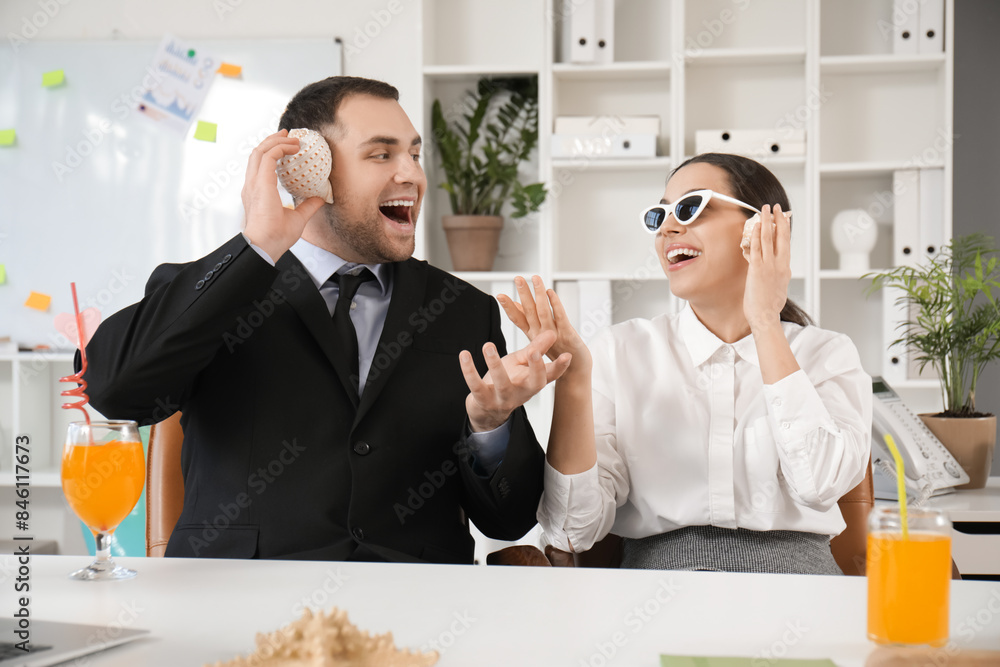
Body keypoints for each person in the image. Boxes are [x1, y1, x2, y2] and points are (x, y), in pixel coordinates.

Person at [82, 76, 571, 563]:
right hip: (242, 607)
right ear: (306, 170)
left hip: (412, 610)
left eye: (414, 155)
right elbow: (115, 391)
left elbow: (510, 519)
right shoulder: (220, 290)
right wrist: (255, 248)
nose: (412, 175)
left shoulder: (464, 309)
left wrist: (489, 426)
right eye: (381, 154)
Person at [503, 153, 872, 574]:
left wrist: (766, 320)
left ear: (763, 228)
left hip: (802, 589)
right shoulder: (619, 352)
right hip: (655, 594)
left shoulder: (828, 355)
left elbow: (820, 482)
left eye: (690, 207)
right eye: (659, 215)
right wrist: (573, 380)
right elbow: (571, 532)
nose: (668, 228)